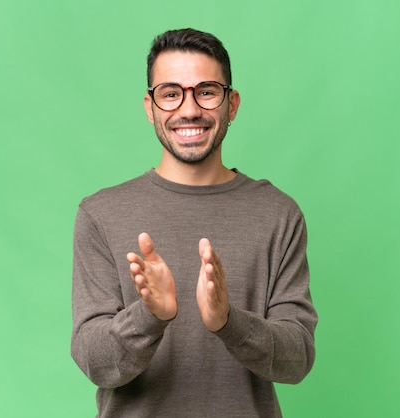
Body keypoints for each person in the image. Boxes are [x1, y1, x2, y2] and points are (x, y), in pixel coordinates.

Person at [71, 28, 317, 417]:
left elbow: (297, 359)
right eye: (170, 93)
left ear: (231, 104)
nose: (188, 110)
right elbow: (96, 363)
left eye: (206, 91)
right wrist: (150, 315)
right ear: (150, 107)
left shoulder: (277, 213)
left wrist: (228, 322)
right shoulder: (101, 214)